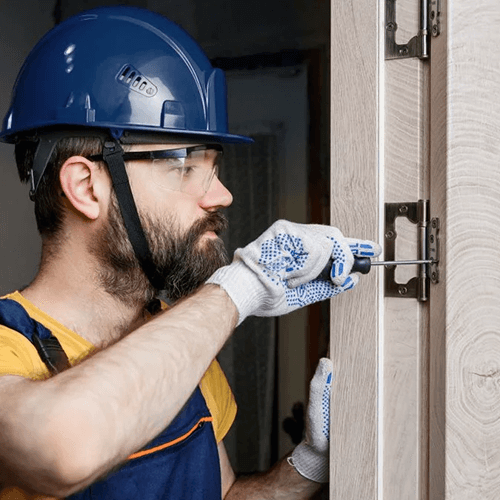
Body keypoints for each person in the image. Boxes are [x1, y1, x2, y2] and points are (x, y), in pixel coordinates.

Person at [0, 6, 381, 500]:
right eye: (183, 164)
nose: (221, 195)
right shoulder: (11, 346)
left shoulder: (179, 341)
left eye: (213, 167)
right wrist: (238, 289)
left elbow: (219, 494)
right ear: (86, 186)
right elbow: (64, 447)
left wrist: (308, 465)